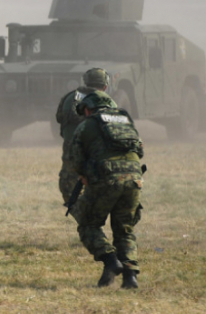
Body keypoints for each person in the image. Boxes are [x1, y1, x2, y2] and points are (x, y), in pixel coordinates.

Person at [71, 90, 145, 289]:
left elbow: (76, 159)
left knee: (88, 223)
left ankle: (111, 261)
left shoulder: (86, 125)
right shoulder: (126, 121)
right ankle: (130, 277)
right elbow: (140, 151)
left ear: (87, 109)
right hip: (135, 181)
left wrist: (85, 174)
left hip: (106, 179)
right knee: (125, 229)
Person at [54, 68, 116, 219]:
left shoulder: (70, 97)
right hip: (99, 150)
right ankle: (93, 220)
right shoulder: (109, 101)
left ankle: (85, 220)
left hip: (72, 148)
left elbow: (59, 118)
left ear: (85, 81)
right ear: (105, 86)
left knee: (68, 185)